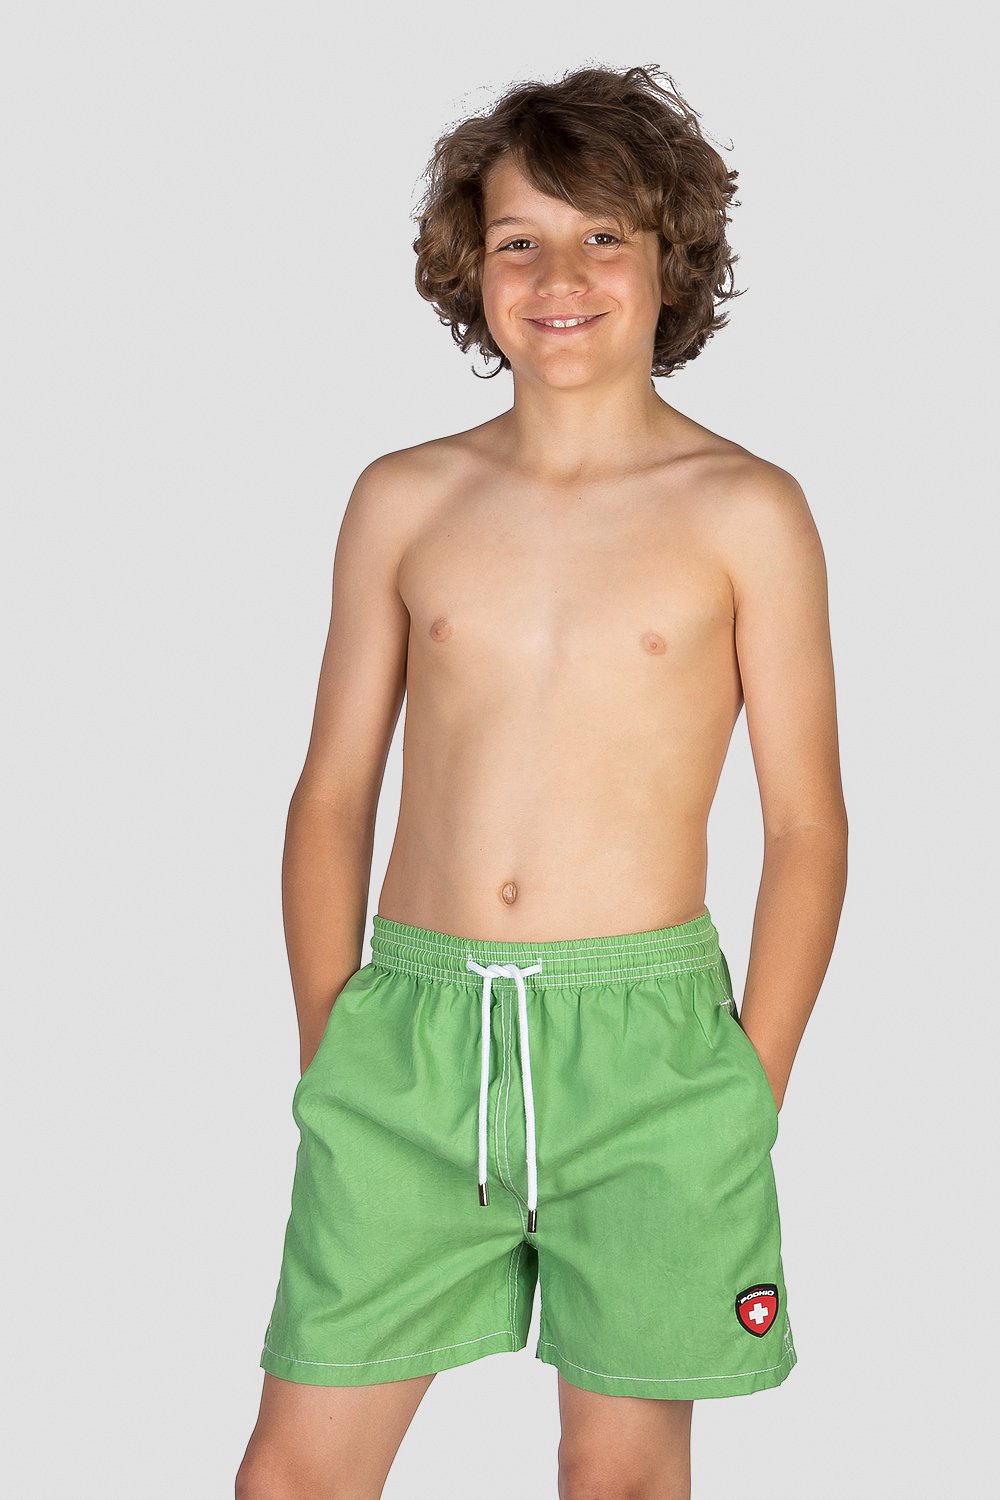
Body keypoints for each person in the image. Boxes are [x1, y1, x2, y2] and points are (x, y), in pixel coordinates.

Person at [235, 61, 848, 1500]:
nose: (559, 277)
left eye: (603, 237)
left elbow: (808, 823)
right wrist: (333, 1044)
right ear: (473, 263)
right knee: (295, 1474)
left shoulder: (747, 511)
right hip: (412, 1036)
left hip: (649, 1051)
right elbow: (332, 793)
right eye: (520, 239)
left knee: (615, 1473)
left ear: (670, 259)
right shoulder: (406, 497)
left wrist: (746, 1087)